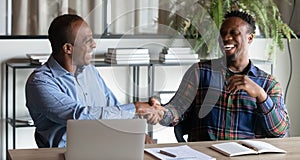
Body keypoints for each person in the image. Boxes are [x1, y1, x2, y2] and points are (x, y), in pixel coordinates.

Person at [25, 14, 165, 148]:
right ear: (68, 48)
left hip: (104, 148)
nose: (94, 45)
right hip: (63, 154)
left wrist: (138, 132)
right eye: (87, 40)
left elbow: (112, 107)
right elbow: (80, 117)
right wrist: (137, 108)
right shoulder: (40, 83)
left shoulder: (89, 71)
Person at [159, 10, 290, 141]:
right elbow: (177, 109)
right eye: (222, 33)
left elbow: (280, 131)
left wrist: (261, 95)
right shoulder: (199, 72)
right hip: (206, 155)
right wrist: (160, 112)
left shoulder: (268, 84)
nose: (226, 38)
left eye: (234, 33)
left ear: (250, 38)